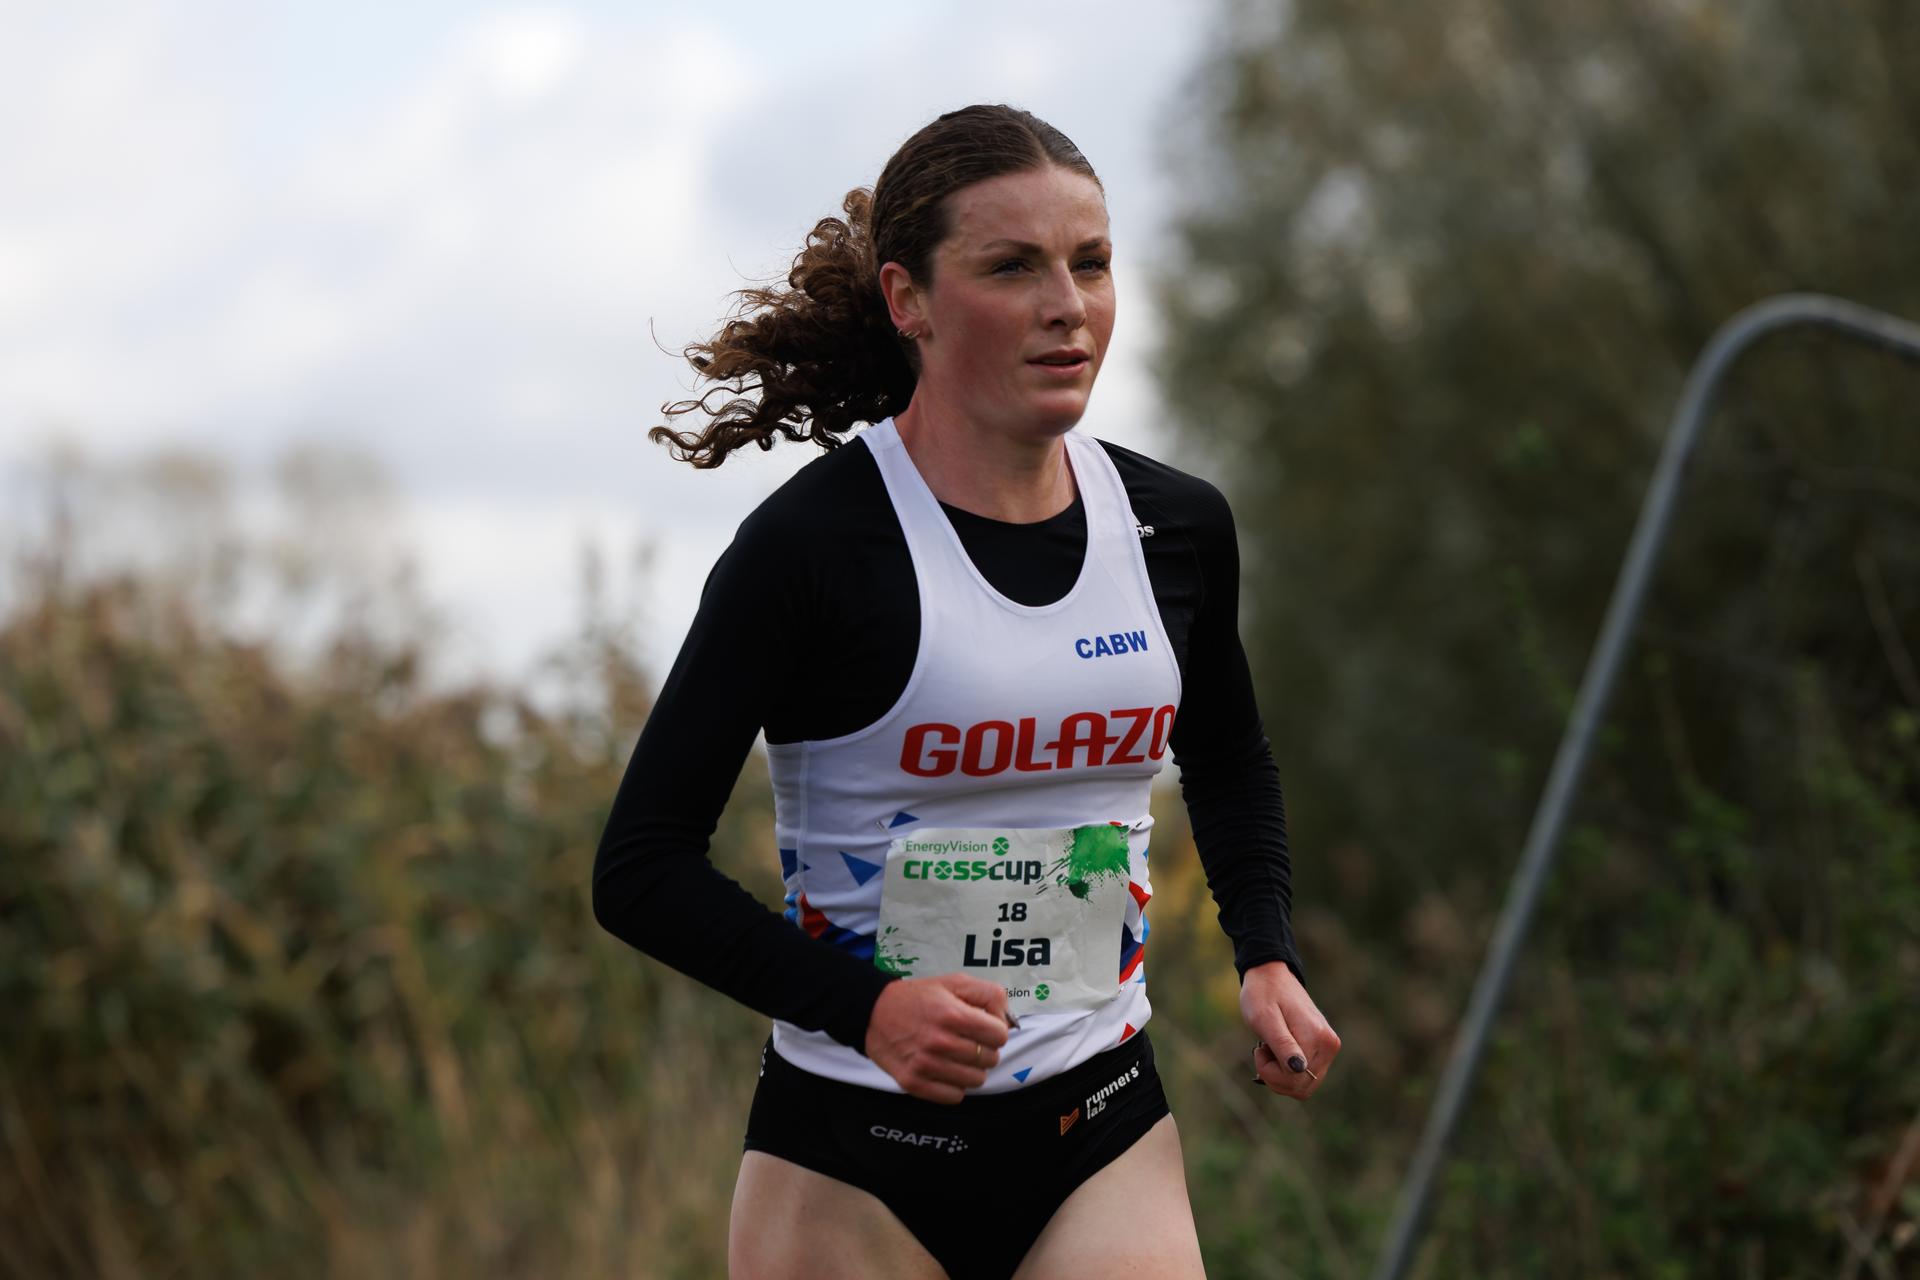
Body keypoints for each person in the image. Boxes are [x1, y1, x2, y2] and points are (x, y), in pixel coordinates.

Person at [592, 103, 1340, 1279]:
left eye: (1091, 262)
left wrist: (1265, 949)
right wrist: (865, 1006)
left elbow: (1230, 754)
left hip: (1100, 1122)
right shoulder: (812, 547)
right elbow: (639, 867)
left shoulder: (1176, 525)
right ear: (909, 300)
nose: (1069, 304)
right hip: (856, 1153)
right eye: (1013, 266)